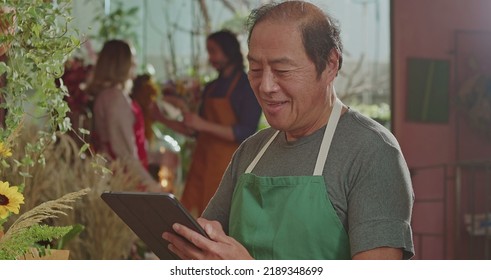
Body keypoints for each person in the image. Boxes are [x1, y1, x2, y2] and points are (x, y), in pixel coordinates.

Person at [162, 1, 414, 260]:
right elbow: (207, 243)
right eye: (256, 70)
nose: (265, 86)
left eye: (282, 70)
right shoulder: (251, 151)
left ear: (330, 65)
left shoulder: (372, 152)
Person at [164, 30, 262, 216]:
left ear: (228, 51)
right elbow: (195, 131)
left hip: (228, 168)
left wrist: (202, 125)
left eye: (213, 50)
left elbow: (245, 132)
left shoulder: (246, 86)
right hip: (201, 164)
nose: (210, 57)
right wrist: (162, 118)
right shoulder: (210, 88)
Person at [86, 40, 161, 192]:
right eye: (132, 60)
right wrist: (154, 188)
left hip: (120, 177)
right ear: (121, 65)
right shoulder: (114, 98)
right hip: (125, 181)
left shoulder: (108, 95)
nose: (135, 64)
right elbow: (124, 152)